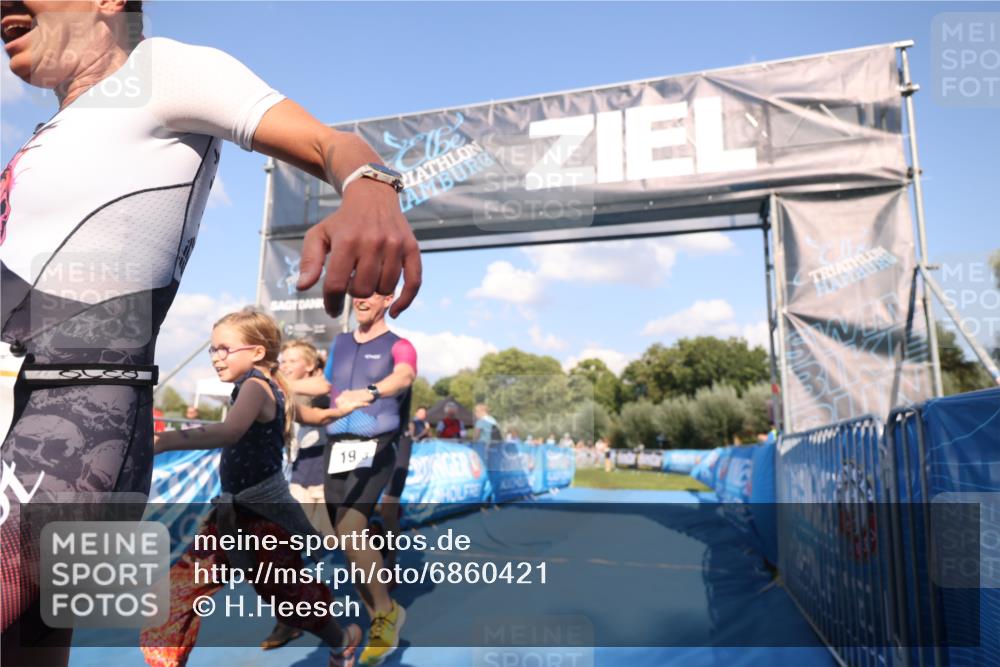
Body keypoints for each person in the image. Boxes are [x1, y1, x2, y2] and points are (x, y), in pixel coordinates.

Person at [0, 1, 420, 659]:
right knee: (31, 644)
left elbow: (330, 144)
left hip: (88, 421)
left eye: (227, 348)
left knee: (274, 573)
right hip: (43, 409)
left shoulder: (160, 70)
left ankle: (345, 626)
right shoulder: (50, 132)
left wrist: (370, 186)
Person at [140, 309, 367, 667]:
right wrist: (340, 410)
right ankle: (165, 661)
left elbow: (230, 431)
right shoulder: (276, 388)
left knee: (288, 597)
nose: (216, 357)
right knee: (182, 590)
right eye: (212, 349)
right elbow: (316, 416)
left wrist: (164, 440)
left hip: (265, 519)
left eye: (224, 349)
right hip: (233, 516)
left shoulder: (257, 387)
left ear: (258, 352)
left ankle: (341, 642)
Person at [322, 292, 416, 666]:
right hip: (336, 445)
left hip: (375, 443)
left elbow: (405, 375)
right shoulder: (340, 342)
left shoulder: (400, 345)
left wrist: (372, 391)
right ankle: (380, 615)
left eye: (370, 292)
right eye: (357, 291)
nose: (361, 298)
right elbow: (325, 386)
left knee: (351, 527)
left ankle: (386, 614)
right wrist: (278, 382)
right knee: (345, 539)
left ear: (388, 298)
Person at [260, 339, 334, 651]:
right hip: (298, 478)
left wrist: (273, 381)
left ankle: (375, 540)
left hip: (328, 479)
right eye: (284, 360)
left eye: (293, 360)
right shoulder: (284, 392)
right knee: (289, 545)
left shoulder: (323, 387)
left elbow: (323, 385)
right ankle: (289, 617)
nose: (286, 365)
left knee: (335, 540)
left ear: (311, 365)